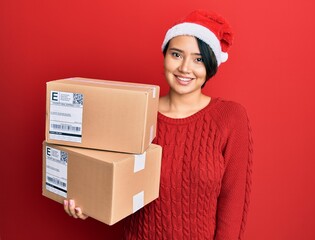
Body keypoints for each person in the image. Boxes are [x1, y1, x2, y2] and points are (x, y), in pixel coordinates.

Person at [64, 9, 253, 239]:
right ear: (164, 56)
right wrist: (89, 203)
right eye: (176, 54)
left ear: (211, 64)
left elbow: (233, 202)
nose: (185, 67)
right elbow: (115, 181)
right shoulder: (137, 112)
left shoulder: (230, 118)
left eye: (198, 59)